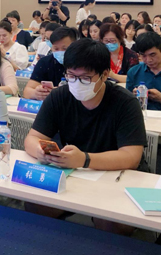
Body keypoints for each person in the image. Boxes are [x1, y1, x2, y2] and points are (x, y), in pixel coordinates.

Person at [25, 38, 146, 235]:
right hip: (73, 173)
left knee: (111, 222)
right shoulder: (59, 96)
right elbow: (32, 138)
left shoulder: (125, 103)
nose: (76, 83)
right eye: (71, 76)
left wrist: (84, 159)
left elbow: (131, 157)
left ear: (104, 75)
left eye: (85, 78)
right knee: (36, 205)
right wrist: (41, 152)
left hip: (116, 176)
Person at [23, 27, 77, 100]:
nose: (60, 52)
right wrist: (37, 93)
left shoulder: (82, 63)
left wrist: (59, 92)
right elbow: (27, 91)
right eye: (56, 49)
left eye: (65, 48)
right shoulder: (44, 62)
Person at [127, 32, 161, 110]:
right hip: (141, 115)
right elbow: (125, 103)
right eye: (143, 55)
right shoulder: (133, 72)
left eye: (152, 55)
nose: (148, 60)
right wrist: (133, 97)